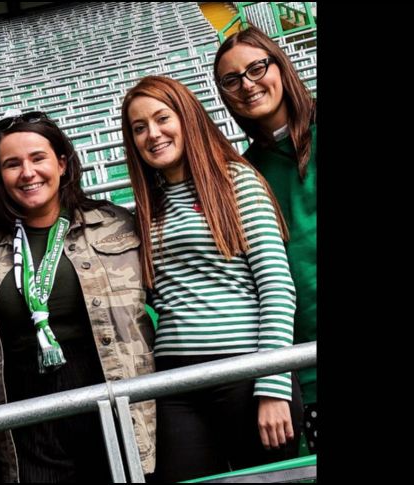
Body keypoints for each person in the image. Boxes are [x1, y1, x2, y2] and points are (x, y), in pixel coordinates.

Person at [120, 75, 304, 483]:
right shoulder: (147, 207)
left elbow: (276, 287)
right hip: (177, 381)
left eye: (162, 118)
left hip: (247, 371)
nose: (153, 134)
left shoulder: (237, 183)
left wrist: (272, 386)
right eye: (138, 127)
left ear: (187, 118)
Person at [0, 110, 156, 482]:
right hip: (29, 427)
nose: (27, 172)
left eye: (38, 158)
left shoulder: (116, 223)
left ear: (63, 163)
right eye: (12, 164)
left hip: (117, 405)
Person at [214, 25, 317, 454]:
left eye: (257, 67)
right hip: (306, 360)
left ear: (280, 64)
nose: (248, 84)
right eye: (232, 79)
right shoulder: (243, 171)